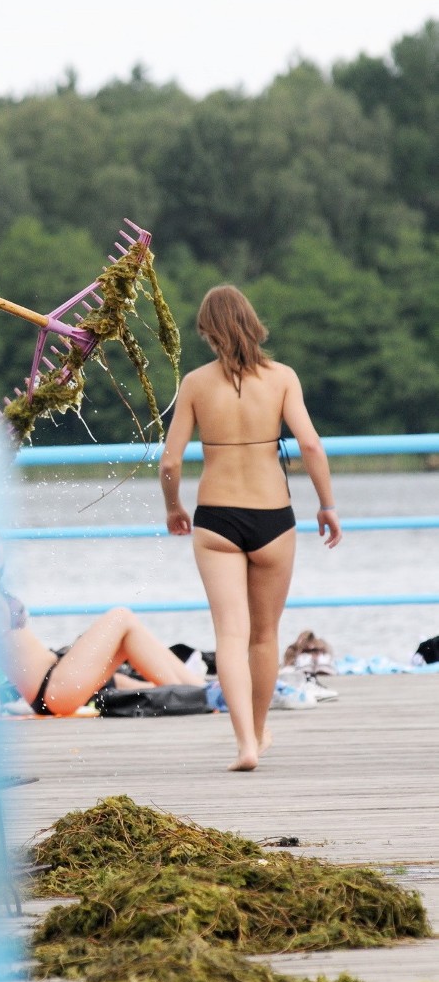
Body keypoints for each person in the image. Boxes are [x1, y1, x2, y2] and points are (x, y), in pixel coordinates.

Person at [158, 285, 341, 772]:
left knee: (231, 636)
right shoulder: (282, 378)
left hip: (216, 518)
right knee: (264, 636)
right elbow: (311, 445)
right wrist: (327, 505)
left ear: (206, 331)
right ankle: (259, 733)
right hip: (273, 519)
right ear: (253, 323)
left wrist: (174, 506)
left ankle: (246, 744)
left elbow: (170, 460)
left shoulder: (195, 384)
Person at [0, 534, 207, 715]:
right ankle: (198, 694)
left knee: (125, 639)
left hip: (54, 680)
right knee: (121, 617)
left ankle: (199, 691)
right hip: (51, 688)